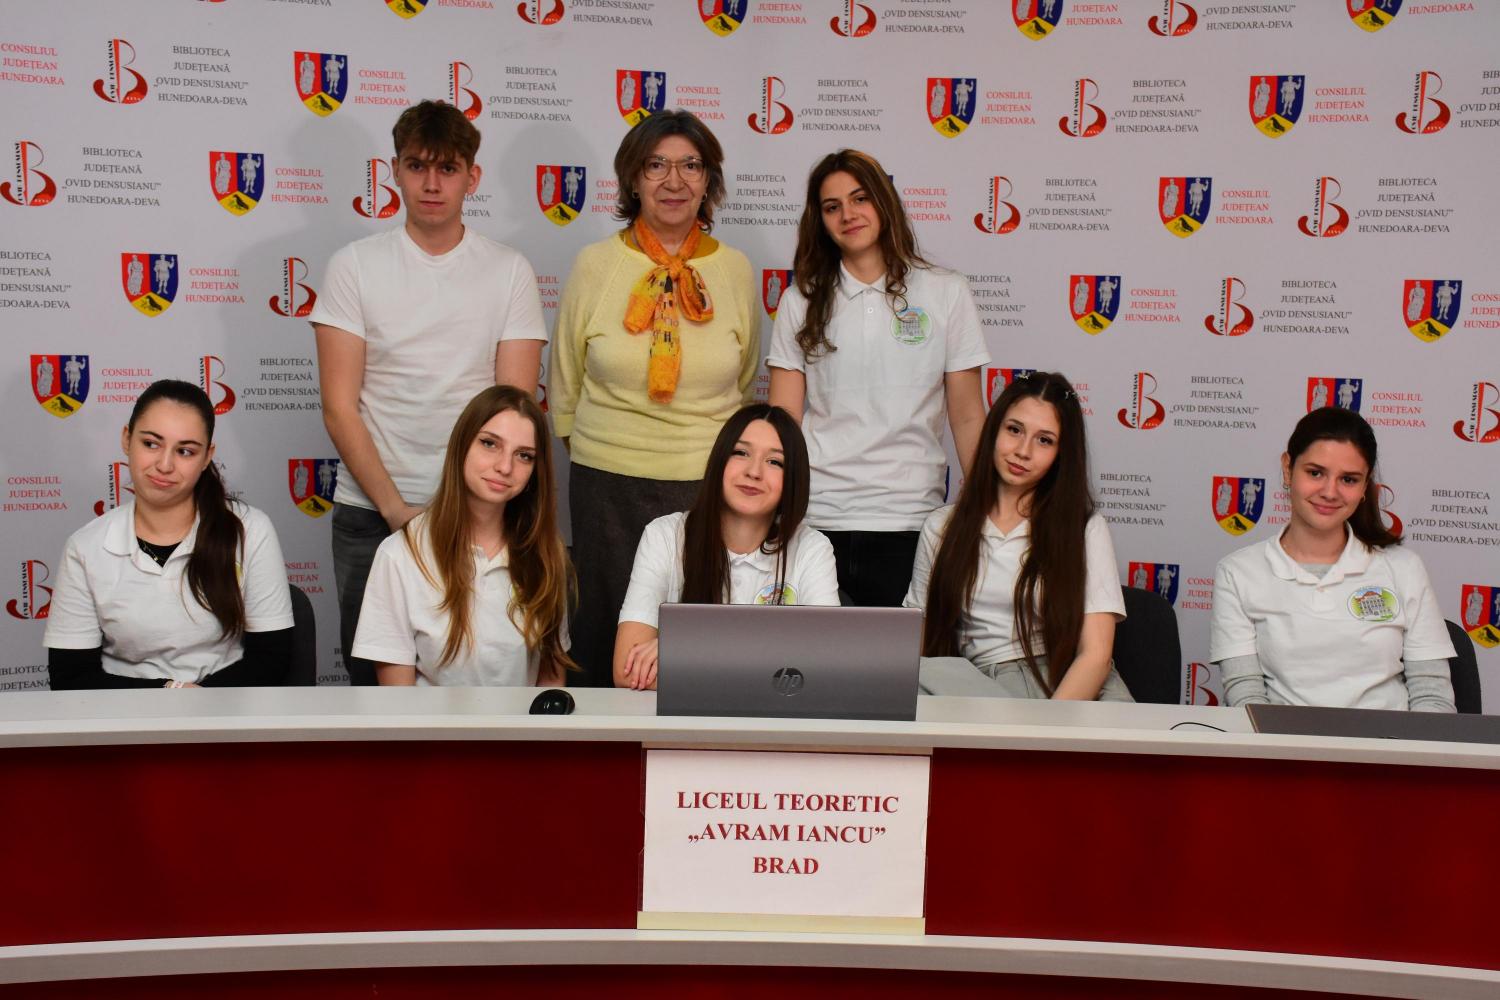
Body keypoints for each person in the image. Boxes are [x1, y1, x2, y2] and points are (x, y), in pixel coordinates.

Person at [311, 99, 548, 685]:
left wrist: (469, 512)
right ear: (395, 171)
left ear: (473, 176)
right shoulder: (353, 266)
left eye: (447, 168)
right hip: (373, 513)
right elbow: (339, 407)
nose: (432, 183)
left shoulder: (509, 270)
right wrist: (397, 511)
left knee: (492, 677)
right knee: (374, 691)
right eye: (417, 166)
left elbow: (514, 413)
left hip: (482, 515)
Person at [551, 109, 758, 686]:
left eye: (690, 166)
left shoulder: (735, 270)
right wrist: (614, 450)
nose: (674, 181)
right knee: (605, 640)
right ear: (632, 179)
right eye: (656, 165)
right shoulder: (595, 265)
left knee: (698, 646)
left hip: (705, 487)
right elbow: (564, 386)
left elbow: (744, 384)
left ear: (709, 180)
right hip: (606, 486)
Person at [768, 149, 989, 607]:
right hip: (817, 517)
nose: (848, 215)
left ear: (884, 202)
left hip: (911, 519)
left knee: (903, 654)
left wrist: (989, 506)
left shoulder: (947, 291)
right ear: (820, 221)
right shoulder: (799, 300)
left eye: (860, 198)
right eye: (832, 206)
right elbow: (782, 420)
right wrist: (776, 512)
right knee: (815, 652)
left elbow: (968, 416)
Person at [44, 380, 294, 689]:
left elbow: (271, 658)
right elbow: (70, 677)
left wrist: (201, 701)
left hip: (227, 706)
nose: (164, 465)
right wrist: (170, 693)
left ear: (207, 457)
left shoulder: (250, 529)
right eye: (151, 444)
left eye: (185, 451)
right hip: (124, 712)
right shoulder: (85, 547)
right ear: (127, 439)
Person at [1210, 407, 1455, 711]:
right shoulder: (1238, 572)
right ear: (1287, 468)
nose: (1330, 492)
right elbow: (1245, 696)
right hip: (1282, 741)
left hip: (1389, 740)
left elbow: (1432, 696)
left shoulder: (1404, 568)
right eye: (1315, 473)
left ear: (1364, 486)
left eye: (1348, 479)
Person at [905, 371, 1130, 701]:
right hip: (976, 684)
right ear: (994, 430)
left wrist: (1044, 728)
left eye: (1044, 440)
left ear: (1061, 453)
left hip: (1065, 684)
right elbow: (921, 643)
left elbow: (1095, 657)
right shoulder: (942, 526)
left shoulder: (1084, 527)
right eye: (1014, 430)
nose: (1023, 451)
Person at [353, 386, 572, 686]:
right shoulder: (399, 554)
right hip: (427, 720)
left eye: (524, 456)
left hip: (521, 720)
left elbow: (551, 689)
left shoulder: (546, 555)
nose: (505, 467)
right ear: (462, 443)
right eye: (489, 444)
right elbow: (397, 702)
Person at [614, 404, 839, 690]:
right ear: (720, 460)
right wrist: (770, 674)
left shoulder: (812, 548)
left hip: (768, 720)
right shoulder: (664, 535)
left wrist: (684, 651)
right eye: (741, 453)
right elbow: (628, 670)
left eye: (775, 462)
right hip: (682, 720)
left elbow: (825, 671)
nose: (754, 472)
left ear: (793, 478)